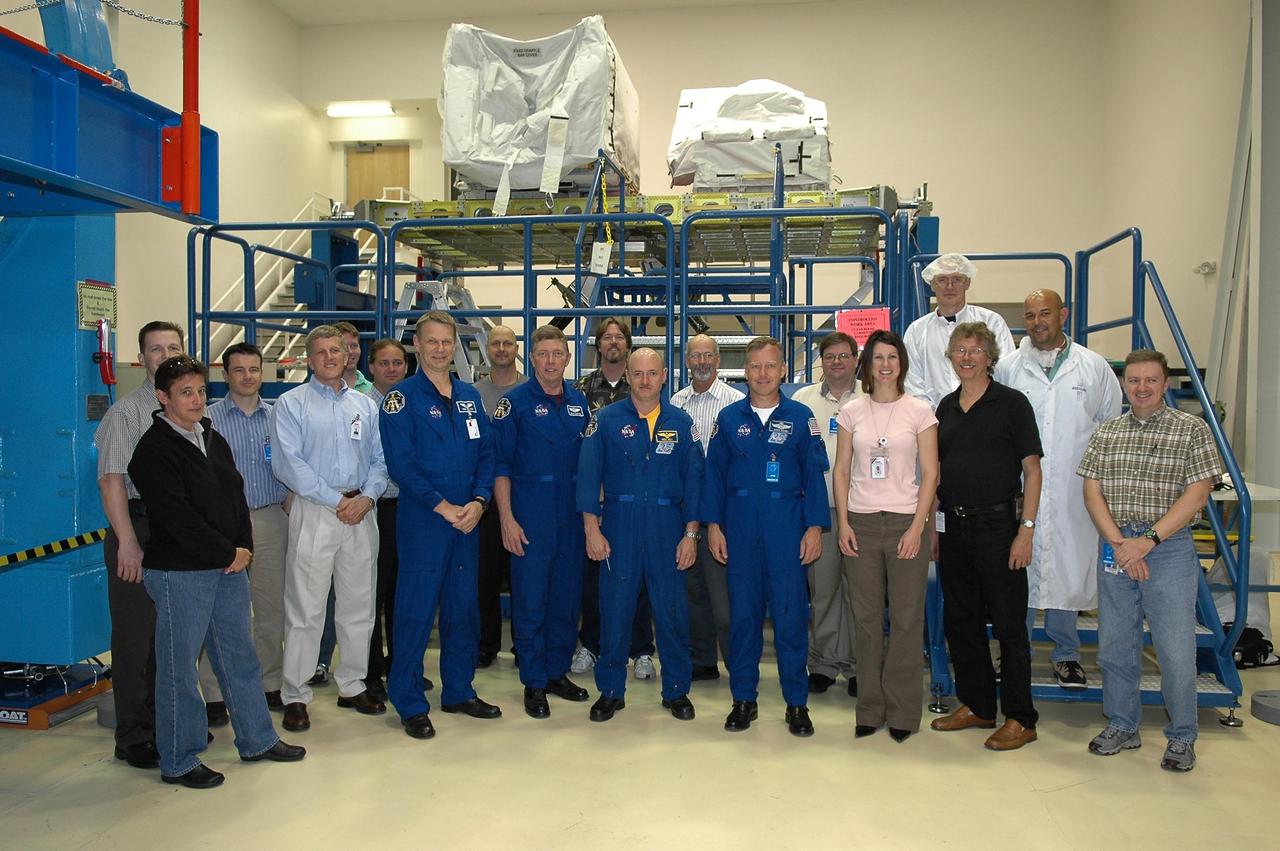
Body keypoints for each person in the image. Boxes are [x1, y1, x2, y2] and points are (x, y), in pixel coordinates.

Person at [129, 355, 304, 789]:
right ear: (163, 398)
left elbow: (235, 493)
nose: (196, 399)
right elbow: (176, 516)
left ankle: (257, 738)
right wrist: (226, 551)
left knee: (238, 656)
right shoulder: (153, 450)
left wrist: (241, 546)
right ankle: (180, 758)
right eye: (185, 392)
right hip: (181, 572)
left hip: (227, 565)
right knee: (179, 668)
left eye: (201, 391)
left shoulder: (210, 435)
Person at [1077, 349, 1222, 772]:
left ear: (1164, 383)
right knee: (1115, 646)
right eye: (1134, 380)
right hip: (1117, 544)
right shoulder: (1107, 433)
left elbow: (1196, 495)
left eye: (1151, 380)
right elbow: (1092, 492)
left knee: (1175, 649)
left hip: (1169, 549)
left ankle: (1182, 736)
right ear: (1124, 384)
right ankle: (1122, 724)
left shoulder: (1191, 430)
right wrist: (1121, 543)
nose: (1141, 388)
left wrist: (1149, 541)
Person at [95, 321, 222, 769]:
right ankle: (134, 734)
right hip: (139, 528)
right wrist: (127, 542)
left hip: (178, 533)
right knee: (136, 638)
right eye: (155, 349)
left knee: (176, 638)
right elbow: (111, 481)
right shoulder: (127, 414)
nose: (164, 354)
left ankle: (172, 723)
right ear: (141, 358)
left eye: (173, 346)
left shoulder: (194, 411)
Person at [379, 311, 501, 740]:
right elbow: (402, 465)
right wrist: (443, 506)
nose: (439, 349)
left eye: (446, 342)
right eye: (431, 341)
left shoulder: (469, 397)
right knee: (414, 612)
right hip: (425, 522)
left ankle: (459, 689)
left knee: (462, 610)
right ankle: (410, 700)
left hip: (468, 522)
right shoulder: (401, 398)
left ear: (455, 345)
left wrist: (480, 501)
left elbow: (488, 454)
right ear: (417, 344)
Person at [994, 290, 1122, 689]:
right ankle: (1015, 653)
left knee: (1068, 570)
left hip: (1074, 489)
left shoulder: (1093, 367)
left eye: (1045, 313)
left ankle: (1067, 655)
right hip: (1020, 488)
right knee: (1019, 574)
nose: (1037, 322)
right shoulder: (1009, 367)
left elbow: (1110, 425)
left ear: (1063, 315)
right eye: (1030, 315)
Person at [702, 336, 829, 737]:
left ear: (783, 370)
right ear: (745, 371)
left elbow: (814, 475)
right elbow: (714, 477)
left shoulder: (801, 416)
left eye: (770, 366)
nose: (762, 373)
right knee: (743, 619)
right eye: (755, 366)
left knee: (791, 618)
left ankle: (796, 703)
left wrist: (813, 527)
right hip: (739, 530)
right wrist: (714, 525)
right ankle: (744, 699)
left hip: (786, 530)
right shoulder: (728, 418)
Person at [930, 322, 1042, 751]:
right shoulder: (945, 407)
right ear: (951, 357)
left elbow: (1032, 471)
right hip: (954, 527)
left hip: (1000, 528)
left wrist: (1025, 531)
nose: (967, 357)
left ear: (990, 357)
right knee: (961, 621)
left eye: (975, 350)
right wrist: (937, 527)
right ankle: (978, 705)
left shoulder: (1012, 404)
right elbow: (938, 473)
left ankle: (1021, 717)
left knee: (1010, 626)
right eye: (960, 350)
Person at [270, 325, 388, 733]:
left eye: (335, 350)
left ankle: (352, 684)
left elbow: (380, 458)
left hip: (361, 510)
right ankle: (296, 694)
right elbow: (289, 465)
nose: (329, 357)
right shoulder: (290, 404)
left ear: (346, 354)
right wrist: (338, 502)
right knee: (306, 608)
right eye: (320, 352)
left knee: (359, 604)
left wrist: (367, 497)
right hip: (317, 511)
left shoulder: (365, 405)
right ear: (309, 358)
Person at [576, 348, 703, 723]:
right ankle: (611, 691)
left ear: (664, 376)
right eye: (638, 373)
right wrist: (591, 529)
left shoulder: (682, 423)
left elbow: (695, 481)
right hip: (619, 525)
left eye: (652, 373)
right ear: (628, 376)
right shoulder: (606, 420)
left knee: (672, 612)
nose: (645, 380)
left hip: (668, 527)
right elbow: (588, 476)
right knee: (615, 610)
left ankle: (677, 690)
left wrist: (691, 534)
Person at [832, 330, 938, 742]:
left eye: (893, 357)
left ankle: (904, 712)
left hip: (904, 523)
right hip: (859, 522)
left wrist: (917, 526)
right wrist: (842, 523)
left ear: (902, 363)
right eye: (878, 357)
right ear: (868, 364)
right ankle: (870, 707)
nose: (886, 364)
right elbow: (842, 471)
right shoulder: (851, 412)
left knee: (908, 620)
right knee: (867, 619)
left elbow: (931, 473)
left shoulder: (920, 411)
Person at [492, 325, 592, 718]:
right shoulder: (513, 403)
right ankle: (533, 681)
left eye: (558, 354)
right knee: (531, 600)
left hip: (570, 512)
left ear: (568, 358)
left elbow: (590, 462)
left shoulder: (579, 403)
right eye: (543, 354)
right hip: (529, 511)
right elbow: (500, 465)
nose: (551, 362)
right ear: (531, 359)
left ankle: (556, 672)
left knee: (566, 601)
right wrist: (506, 519)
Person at [207, 342, 292, 712]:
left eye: (254, 369)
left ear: (263, 373)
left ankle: (270, 682)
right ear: (225, 375)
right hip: (223, 525)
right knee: (221, 611)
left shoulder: (279, 417)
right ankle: (214, 692)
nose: (247, 377)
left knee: (272, 610)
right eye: (238, 370)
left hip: (271, 520)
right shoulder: (206, 420)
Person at [572, 317, 657, 680]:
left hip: (633, 501)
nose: (612, 343)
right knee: (594, 580)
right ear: (598, 344)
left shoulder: (641, 386)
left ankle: (641, 651)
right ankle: (591, 645)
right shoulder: (579, 389)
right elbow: (582, 448)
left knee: (637, 580)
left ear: (627, 344)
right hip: (595, 499)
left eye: (618, 337)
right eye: (605, 337)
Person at [669, 334, 743, 681]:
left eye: (707, 356)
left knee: (723, 597)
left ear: (718, 359)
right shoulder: (674, 403)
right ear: (686, 361)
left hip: (722, 510)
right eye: (694, 356)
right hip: (683, 508)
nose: (701, 362)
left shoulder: (735, 403)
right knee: (692, 590)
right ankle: (702, 660)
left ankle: (736, 663)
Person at [790, 332, 860, 697]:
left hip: (862, 508)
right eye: (829, 356)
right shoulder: (803, 401)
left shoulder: (870, 396)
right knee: (823, 589)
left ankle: (857, 666)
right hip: (820, 509)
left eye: (844, 356)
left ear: (855, 358)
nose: (837, 362)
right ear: (821, 361)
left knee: (860, 592)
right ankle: (824, 663)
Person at [473, 325, 527, 667]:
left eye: (508, 343)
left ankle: (523, 646)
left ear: (516, 348)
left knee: (524, 579)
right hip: (485, 502)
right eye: (497, 343)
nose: (503, 348)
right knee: (485, 578)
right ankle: (486, 644)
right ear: (488, 350)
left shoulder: (529, 391)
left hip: (523, 498)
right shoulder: (473, 394)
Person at [904, 253, 1015, 409]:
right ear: (932, 285)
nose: (950, 286)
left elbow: (1004, 371)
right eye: (942, 280)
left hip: (987, 416)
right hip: (933, 423)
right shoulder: (916, 331)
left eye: (957, 279)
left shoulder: (992, 322)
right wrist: (935, 418)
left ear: (967, 282)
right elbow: (912, 383)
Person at [362, 339, 409, 701]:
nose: (391, 369)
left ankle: (399, 664)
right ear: (372, 367)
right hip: (373, 507)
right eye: (384, 363)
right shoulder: (362, 407)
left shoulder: (409, 403)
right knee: (371, 593)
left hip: (406, 509)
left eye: (398, 363)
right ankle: (371, 670)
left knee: (400, 593)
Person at [334, 320, 374, 395]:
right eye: (344, 347)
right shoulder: (323, 390)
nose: (350, 352)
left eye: (354, 346)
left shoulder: (371, 390)